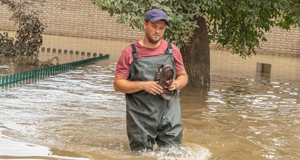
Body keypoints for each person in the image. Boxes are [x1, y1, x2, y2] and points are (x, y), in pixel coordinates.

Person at [114, 9, 188, 151]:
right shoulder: (130, 52)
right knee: (140, 155)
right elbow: (118, 84)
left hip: (169, 114)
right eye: (154, 26)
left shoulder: (172, 51)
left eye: (161, 28)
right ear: (145, 25)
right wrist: (144, 85)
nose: (157, 31)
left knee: (174, 153)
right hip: (140, 116)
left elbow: (183, 76)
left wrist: (177, 83)